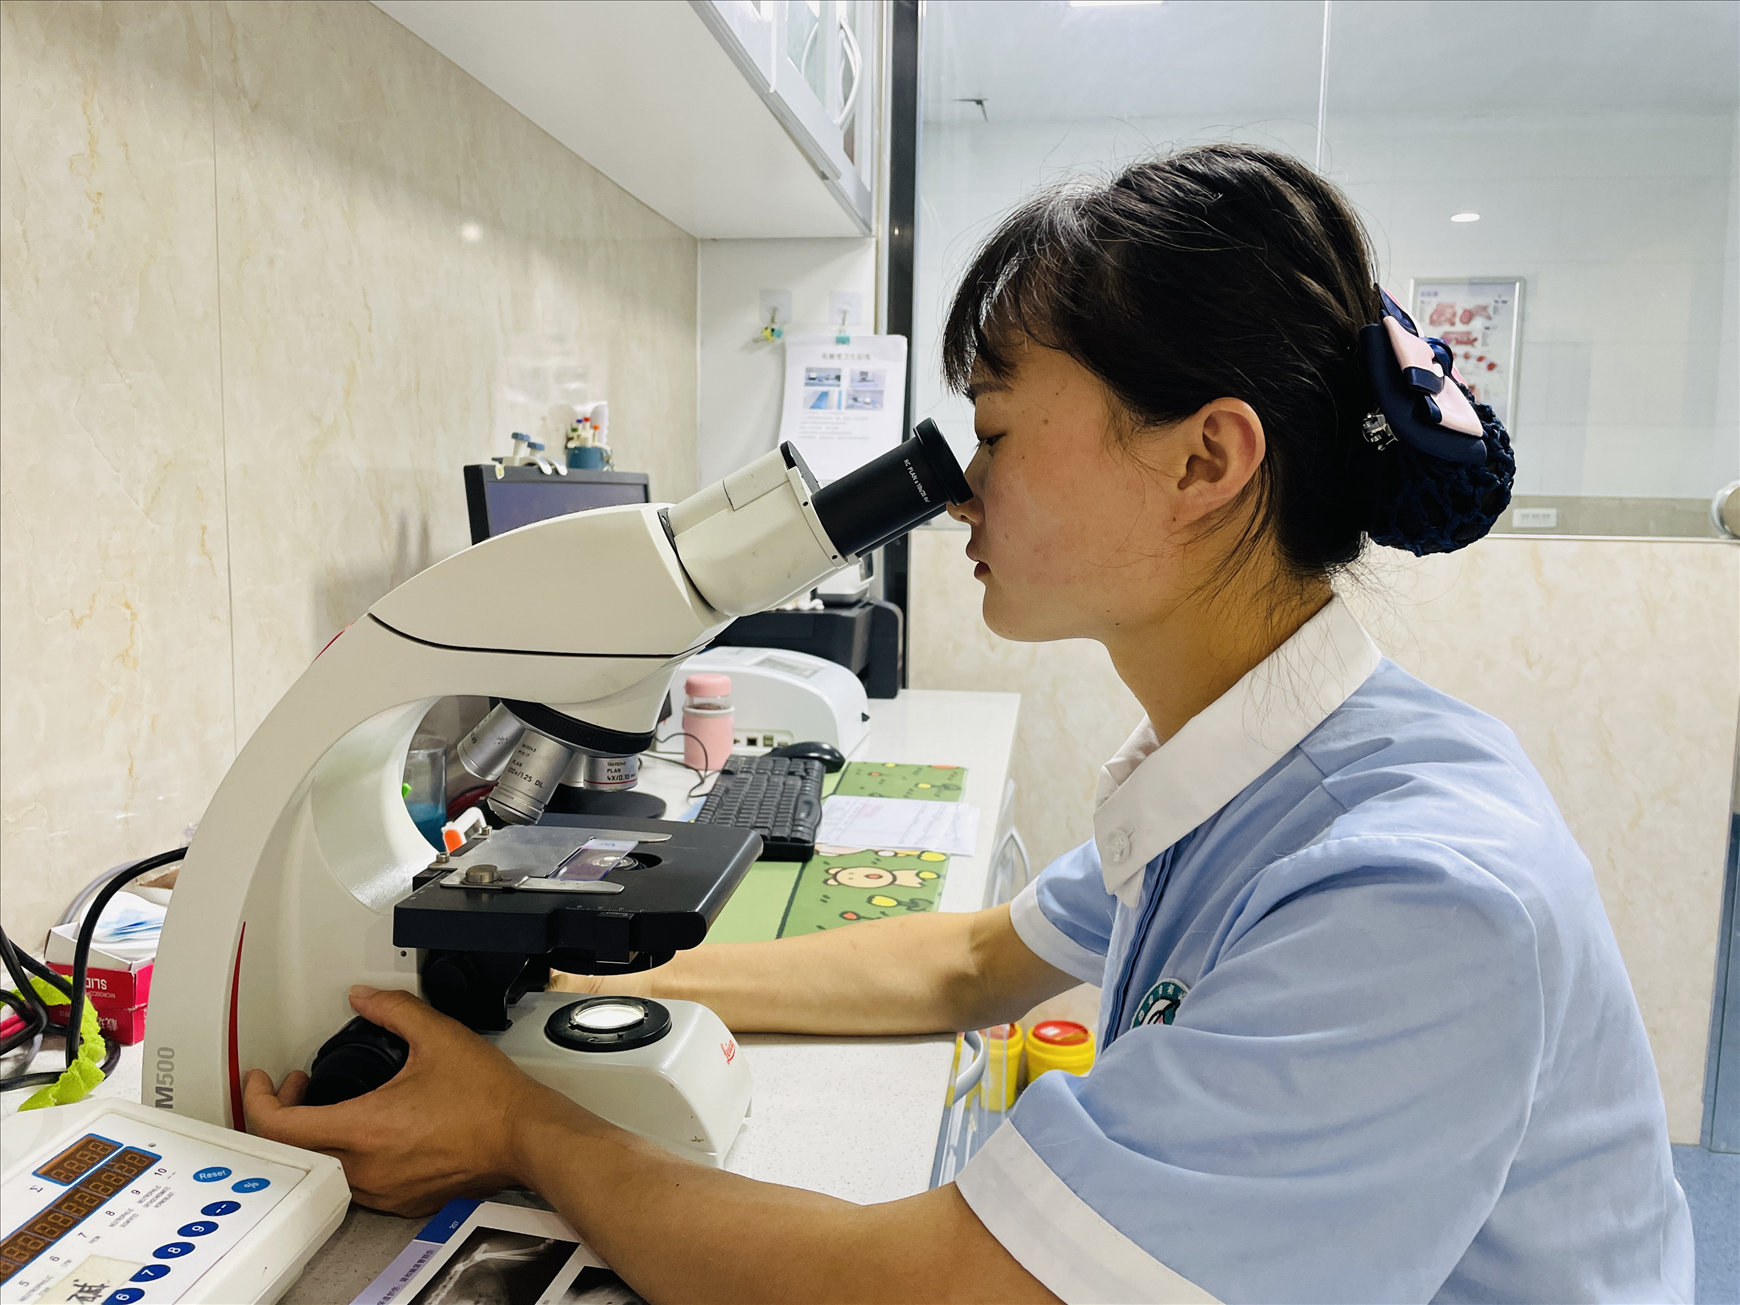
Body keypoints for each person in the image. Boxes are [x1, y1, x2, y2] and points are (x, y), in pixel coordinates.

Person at [246, 145, 1692, 1304]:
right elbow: (969, 958)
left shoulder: (1411, 898)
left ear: (1205, 459)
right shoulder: (1262, 769)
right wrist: (569, 984)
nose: (954, 491)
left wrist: (520, 1126)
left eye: (993, 432)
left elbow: (941, 1287)